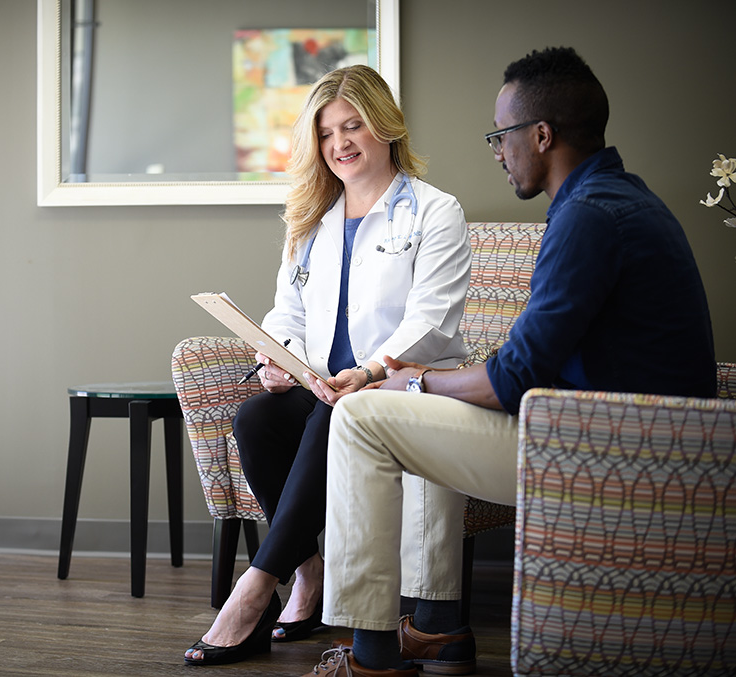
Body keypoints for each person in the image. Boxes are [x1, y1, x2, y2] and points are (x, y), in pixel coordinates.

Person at [298, 46, 717, 677]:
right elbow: (534, 355)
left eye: (503, 136)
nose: (498, 151)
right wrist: (431, 386)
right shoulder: (617, 201)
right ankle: (433, 627)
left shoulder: (587, 219)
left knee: (362, 416)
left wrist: (421, 380)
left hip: (604, 450)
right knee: (419, 401)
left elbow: (513, 376)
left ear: (542, 135)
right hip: (618, 433)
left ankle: (372, 655)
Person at [183, 64, 473, 665]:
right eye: (325, 132)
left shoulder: (434, 211)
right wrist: (275, 358)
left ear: (385, 127)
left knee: (338, 417)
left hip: (398, 386)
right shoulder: (312, 220)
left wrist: (366, 373)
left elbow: (433, 320)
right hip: (325, 386)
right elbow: (287, 310)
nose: (339, 143)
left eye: (353, 125)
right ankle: (307, 573)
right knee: (257, 419)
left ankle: (255, 588)